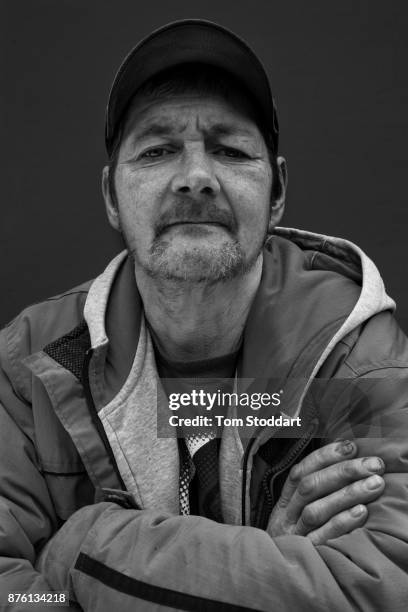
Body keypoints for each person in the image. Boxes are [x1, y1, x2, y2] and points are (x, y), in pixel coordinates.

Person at [1, 18, 407, 612]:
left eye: (230, 150)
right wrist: (264, 567)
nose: (195, 178)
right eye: (159, 150)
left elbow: (386, 588)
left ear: (277, 191)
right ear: (113, 195)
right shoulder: (29, 366)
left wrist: (83, 554)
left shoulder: (361, 365)